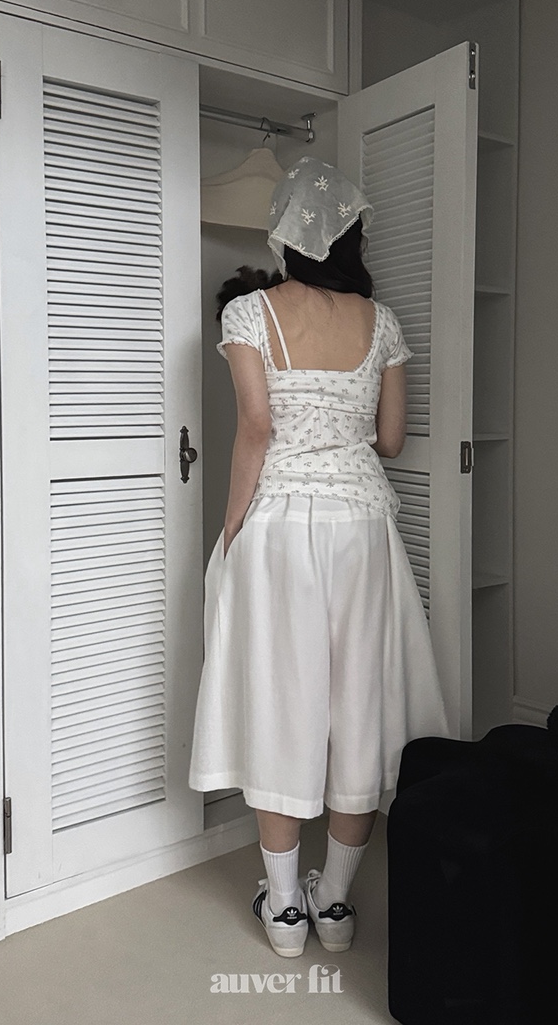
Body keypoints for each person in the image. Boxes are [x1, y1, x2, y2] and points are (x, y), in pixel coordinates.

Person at [188, 156, 450, 958]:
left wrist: (231, 530)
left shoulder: (250, 313)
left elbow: (256, 429)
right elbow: (392, 440)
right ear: (350, 237)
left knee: (281, 698)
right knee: (358, 705)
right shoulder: (383, 321)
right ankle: (333, 904)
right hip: (362, 526)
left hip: (280, 526)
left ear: (285, 235)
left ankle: (283, 910)